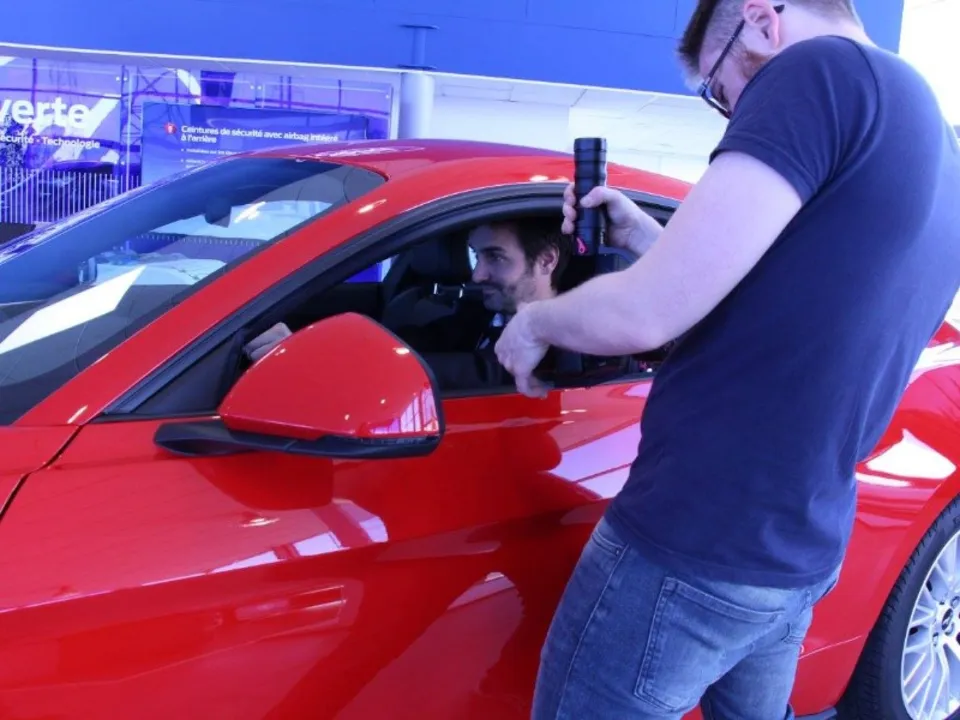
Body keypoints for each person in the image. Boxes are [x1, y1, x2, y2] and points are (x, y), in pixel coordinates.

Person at [494, 0, 960, 718]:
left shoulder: (819, 72)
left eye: (719, 90)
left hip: (696, 536)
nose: (732, 112)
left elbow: (646, 312)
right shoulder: (933, 137)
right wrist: (646, 236)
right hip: (796, 551)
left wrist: (534, 322)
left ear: (762, 19)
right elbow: (774, 301)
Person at [244, 218, 654, 389]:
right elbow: (411, 347)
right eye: (477, 257)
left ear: (546, 261)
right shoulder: (478, 311)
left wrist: (317, 365)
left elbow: (461, 372)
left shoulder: (570, 346)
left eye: (495, 258)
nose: (477, 275)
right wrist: (315, 345)